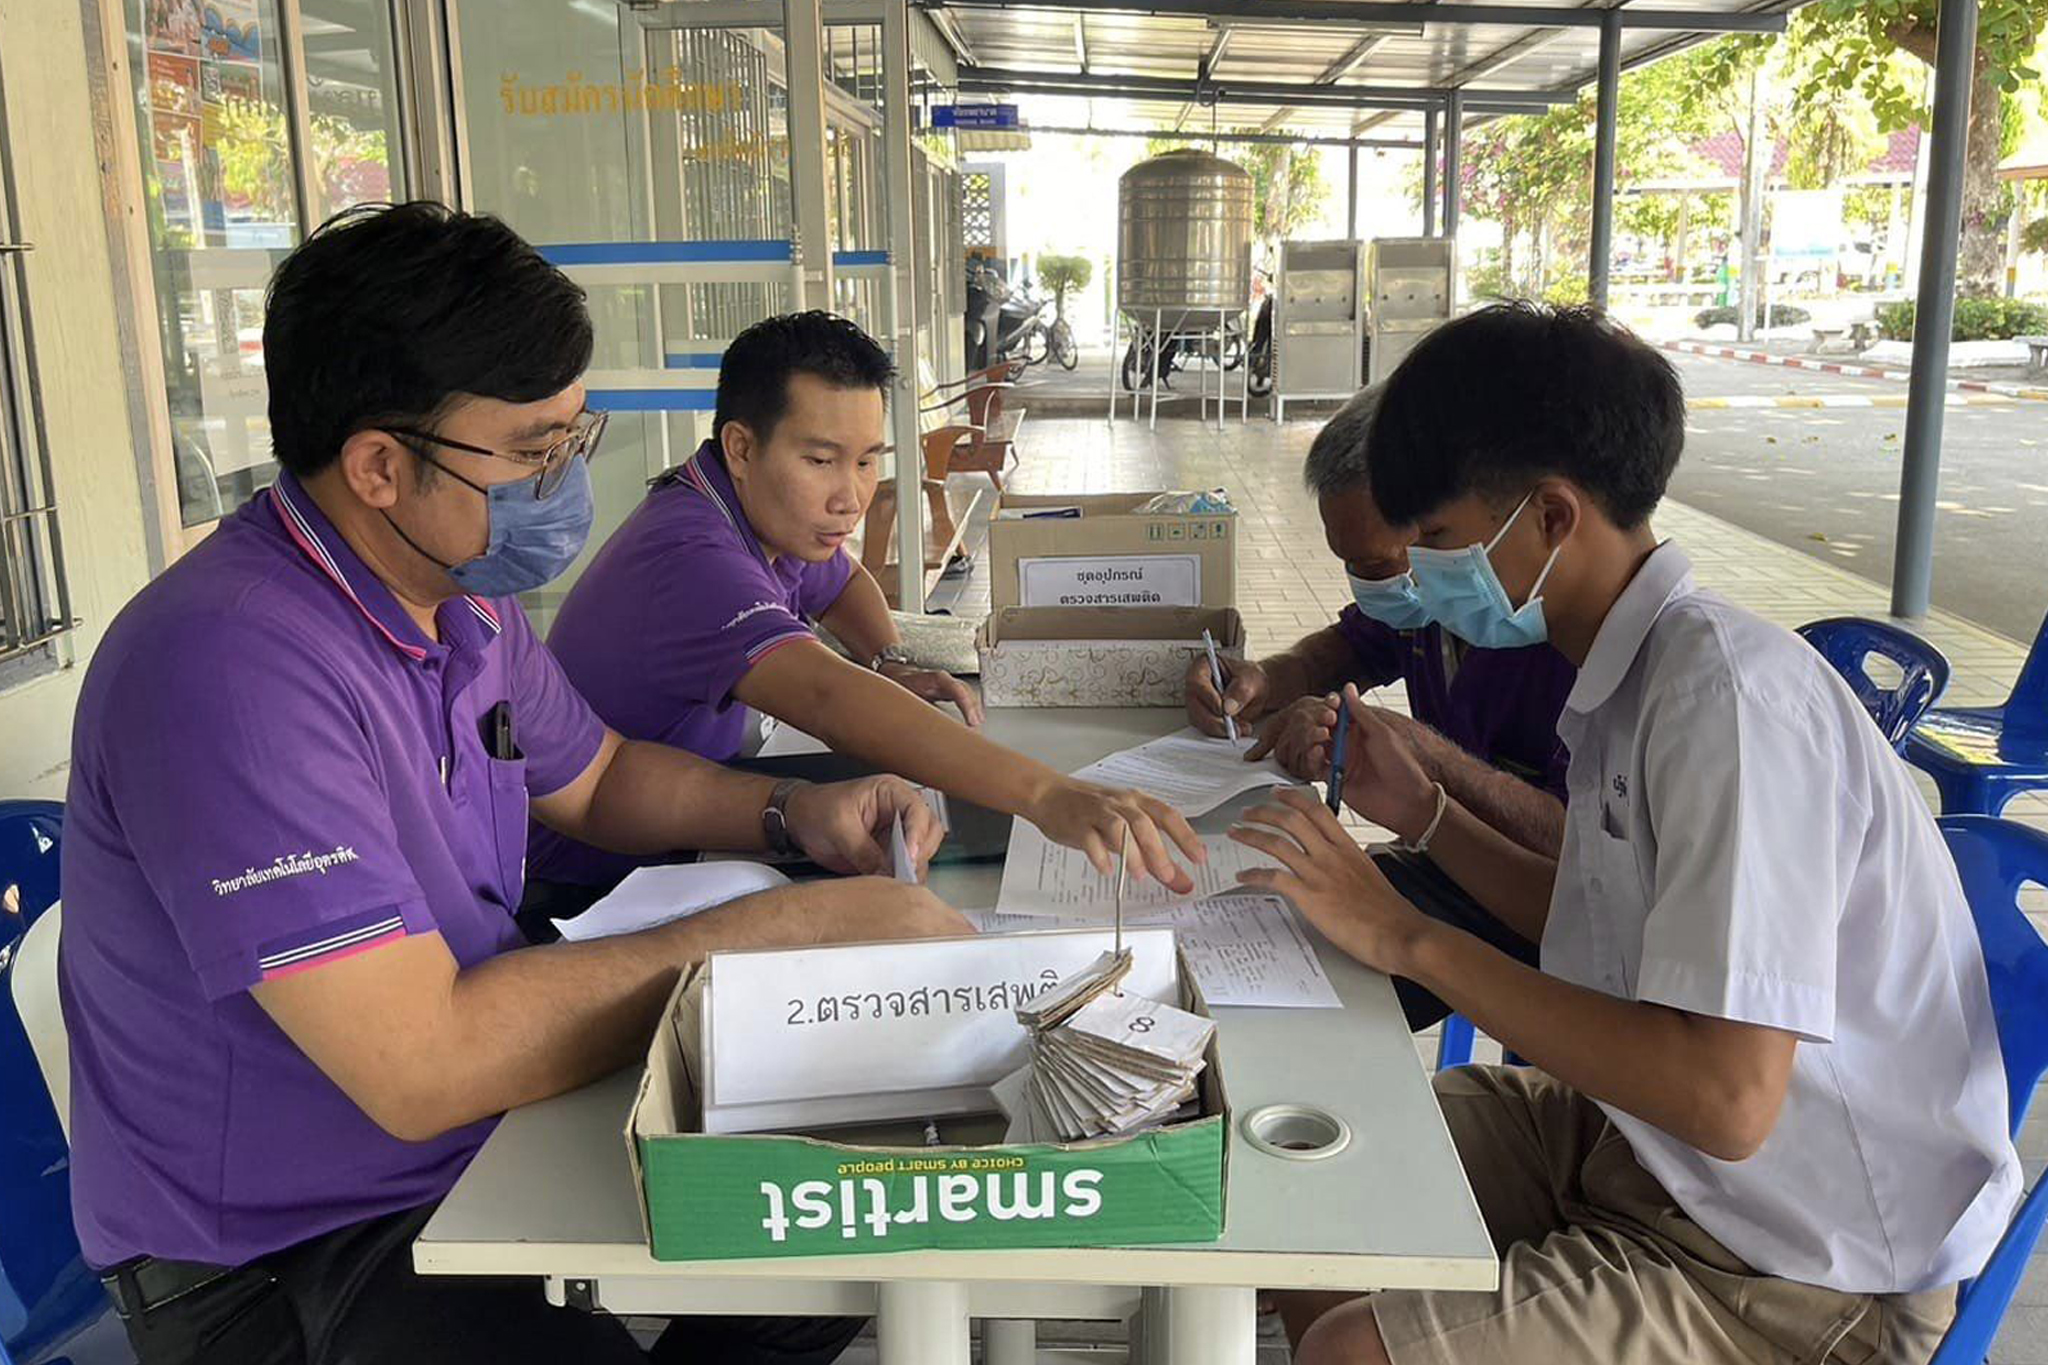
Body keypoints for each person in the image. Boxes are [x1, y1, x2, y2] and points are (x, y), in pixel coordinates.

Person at [59, 203, 969, 1365]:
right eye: (533, 453)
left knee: (820, 1254)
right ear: (381, 465)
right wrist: (783, 932)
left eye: (570, 441)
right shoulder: (228, 669)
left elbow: (596, 778)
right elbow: (420, 1065)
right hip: (293, 1251)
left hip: (469, 1138)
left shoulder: (457, 600)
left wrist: (796, 815)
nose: (563, 483)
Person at [1231, 302, 2020, 1365]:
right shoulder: (1629, 673)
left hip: (1804, 1263)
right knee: (1290, 1184)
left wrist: (1400, 934)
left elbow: (1727, 1100)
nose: (1413, 585)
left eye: (1438, 544)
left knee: (1350, 1347)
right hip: (1647, 1150)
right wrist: (1421, 813)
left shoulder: (1727, 706)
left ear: (1552, 517)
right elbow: (1598, 923)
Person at [533, 310, 1202, 903]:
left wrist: (887, 659)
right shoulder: (692, 557)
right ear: (741, 446)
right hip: (601, 881)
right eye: (823, 460)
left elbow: (839, 580)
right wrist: (1047, 794)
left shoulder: (758, 508)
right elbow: (826, 695)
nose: (850, 497)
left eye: (866, 461)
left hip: (693, 820)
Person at [1185, 385, 1576, 1029]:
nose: (1380, 584)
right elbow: (1350, 649)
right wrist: (1267, 679)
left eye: (1387, 559)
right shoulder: (1432, 602)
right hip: (1443, 864)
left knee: (1296, 1004)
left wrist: (1426, 762)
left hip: (1540, 915)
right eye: (1356, 567)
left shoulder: (1569, 641)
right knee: (1248, 926)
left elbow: (1584, 858)